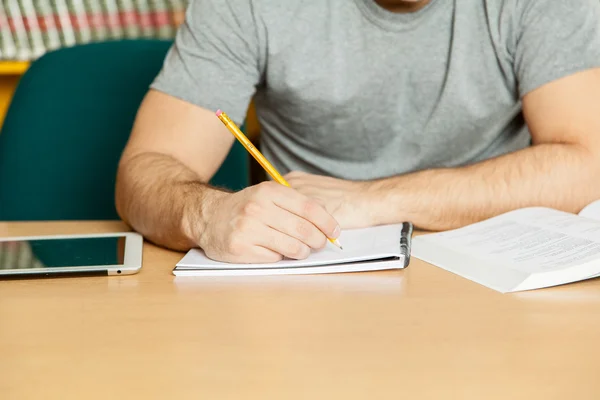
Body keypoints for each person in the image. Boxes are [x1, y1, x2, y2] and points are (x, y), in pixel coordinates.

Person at [115, 0, 600, 263]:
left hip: (495, 264)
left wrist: (371, 200)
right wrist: (208, 213)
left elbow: (589, 163)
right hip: (310, 276)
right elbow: (145, 169)